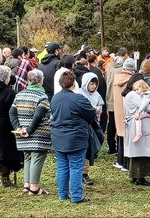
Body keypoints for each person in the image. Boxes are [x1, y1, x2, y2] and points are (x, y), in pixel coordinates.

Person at [51, 70, 101, 203]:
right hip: (76, 138)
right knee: (76, 167)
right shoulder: (78, 98)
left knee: (62, 166)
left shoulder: (55, 98)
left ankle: (62, 194)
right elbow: (91, 115)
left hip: (58, 137)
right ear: (73, 83)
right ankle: (77, 196)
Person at [10, 69, 53, 195]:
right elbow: (38, 116)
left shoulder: (20, 94)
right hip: (38, 134)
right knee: (37, 158)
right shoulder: (42, 97)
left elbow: (11, 112)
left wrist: (18, 127)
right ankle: (34, 188)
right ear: (41, 81)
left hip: (22, 131)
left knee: (28, 157)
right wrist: (29, 130)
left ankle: (27, 184)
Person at [124, 79, 150, 185]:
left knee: (140, 151)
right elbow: (149, 107)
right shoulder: (133, 96)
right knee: (140, 152)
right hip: (140, 128)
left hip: (141, 126)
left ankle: (138, 176)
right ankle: (139, 176)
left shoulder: (133, 95)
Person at [77, 72, 105, 186]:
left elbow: (100, 108)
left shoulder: (97, 95)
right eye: (91, 83)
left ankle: (85, 173)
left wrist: (97, 109)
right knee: (82, 149)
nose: (93, 86)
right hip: (82, 126)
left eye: (95, 84)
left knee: (90, 149)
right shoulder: (79, 93)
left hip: (93, 126)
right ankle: (80, 173)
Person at [112, 57, 136, 169]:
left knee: (120, 135)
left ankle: (120, 160)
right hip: (128, 111)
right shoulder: (132, 81)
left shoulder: (116, 78)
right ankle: (126, 163)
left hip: (118, 110)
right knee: (128, 136)